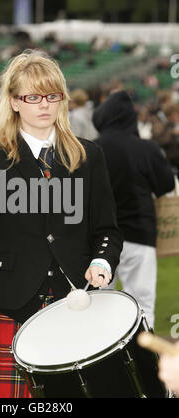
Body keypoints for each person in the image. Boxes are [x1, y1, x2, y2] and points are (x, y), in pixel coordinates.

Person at [0, 50, 123, 398]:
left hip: (74, 299)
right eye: (33, 96)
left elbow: (107, 229)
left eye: (52, 95)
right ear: (14, 102)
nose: (45, 105)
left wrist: (101, 261)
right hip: (10, 297)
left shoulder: (88, 155)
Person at [93, 90, 175, 330]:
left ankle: (101, 364)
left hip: (99, 238)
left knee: (98, 305)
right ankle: (144, 364)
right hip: (139, 234)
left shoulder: (91, 148)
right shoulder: (145, 148)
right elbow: (166, 185)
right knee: (142, 305)